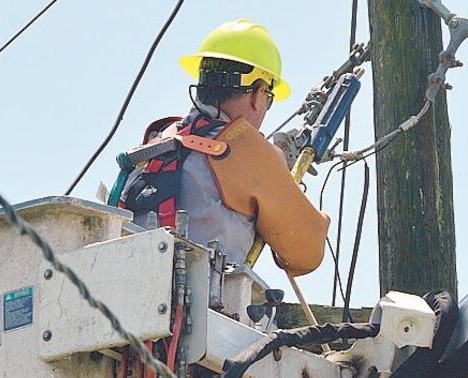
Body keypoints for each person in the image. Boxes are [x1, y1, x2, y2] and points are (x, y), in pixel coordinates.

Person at [115, 19, 329, 276]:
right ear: (259, 94)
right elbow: (306, 252)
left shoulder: (157, 139)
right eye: (268, 99)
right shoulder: (248, 150)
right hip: (200, 310)